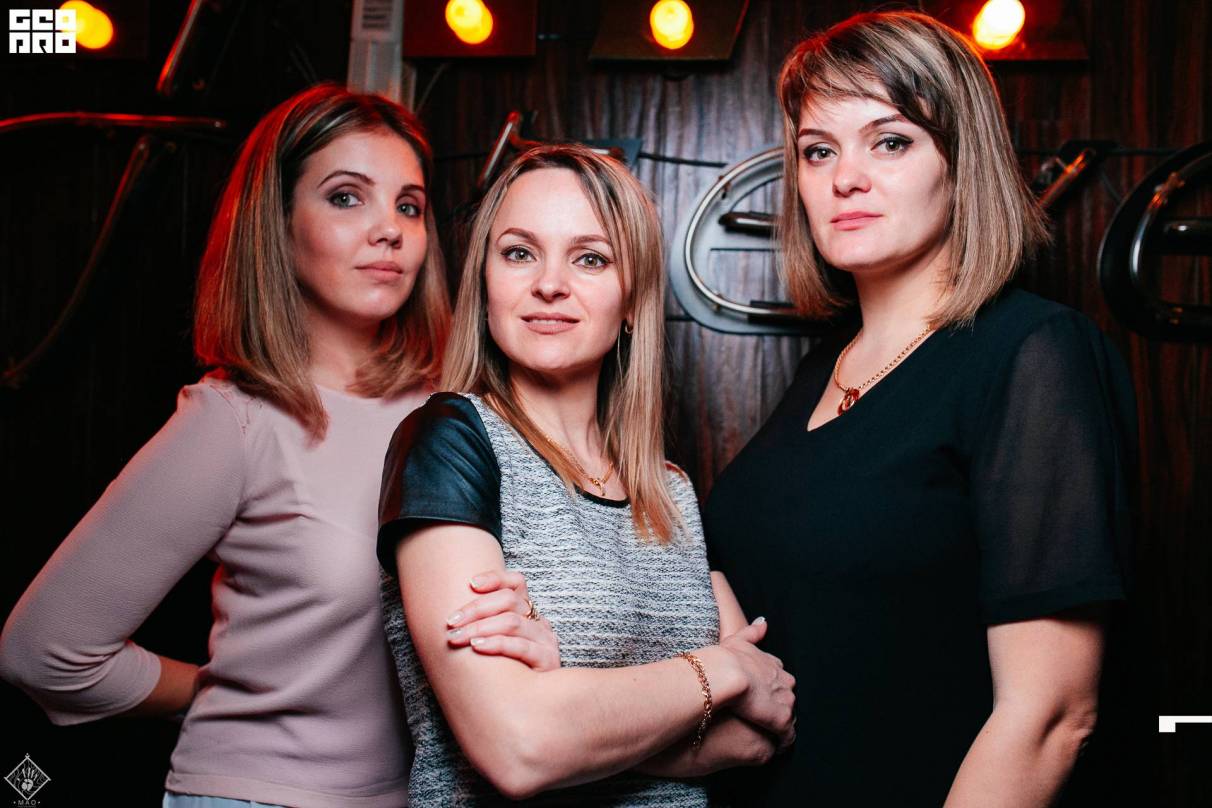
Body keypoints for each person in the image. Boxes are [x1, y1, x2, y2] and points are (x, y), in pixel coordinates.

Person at [0, 84, 557, 808]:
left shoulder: (460, 415)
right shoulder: (234, 422)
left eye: (409, 206)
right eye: (347, 198)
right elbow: (45, 649)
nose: (389, 230)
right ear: (278, 225)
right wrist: (219, 692)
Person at [702, 11, 1136, 807]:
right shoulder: (823, 367)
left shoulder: (1032, 353)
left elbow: (1050, 718)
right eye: (818, 150)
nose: (846, 178)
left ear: (962, 163)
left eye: (890, 141)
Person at [376, 144, 796, 806]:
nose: (550, 283)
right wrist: (722, 669)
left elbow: (760, 731)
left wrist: (567, 703)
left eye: (591, 258)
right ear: (484, 284)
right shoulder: (451, 440)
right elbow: (519, 748)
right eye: (519, 253)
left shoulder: (672, 491)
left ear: (632, 302)